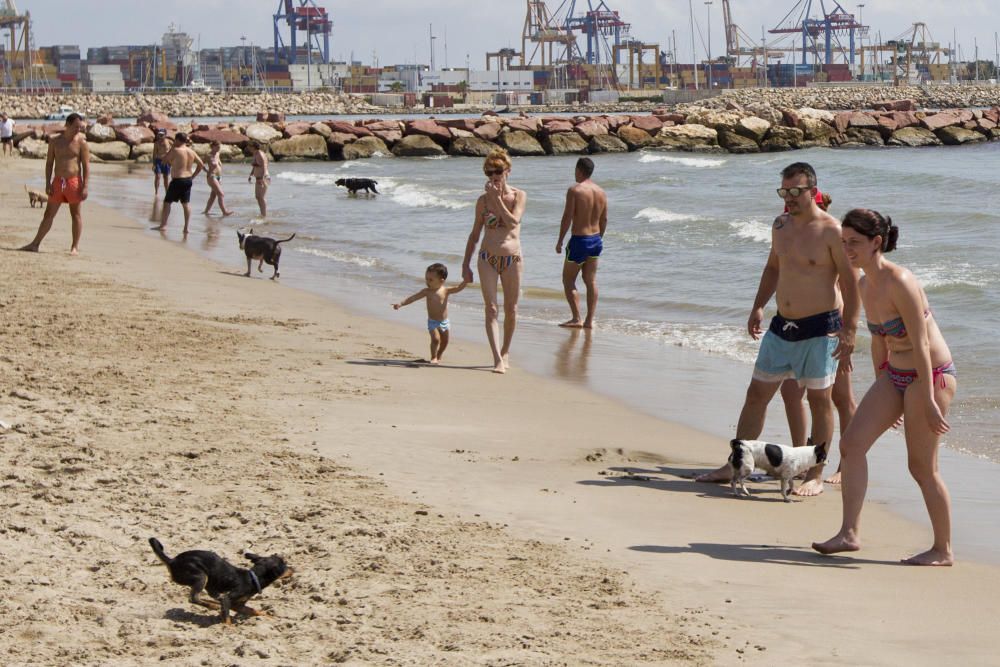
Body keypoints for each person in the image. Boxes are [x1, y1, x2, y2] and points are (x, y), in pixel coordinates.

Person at [696, 162, 859, 496]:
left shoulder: (831, 230)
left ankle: (815, 473)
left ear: (813, 190)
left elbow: (851, 282)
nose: (789, 198)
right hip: (781, 326)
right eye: (784, 191)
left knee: (820, 401)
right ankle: (735, 463)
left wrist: (850, 328)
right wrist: (758, 305)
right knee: (756, 395)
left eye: (796, 191)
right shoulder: (780, 225)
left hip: (820, 328)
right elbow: (773, 268)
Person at [814, 210, 956, 566]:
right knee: (851, 445)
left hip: (932, 375)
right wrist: (882, 387)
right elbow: (880, 341)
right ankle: (849, 533)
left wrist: (925, 397)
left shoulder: (901, 281)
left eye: (855, 243)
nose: (847, 249)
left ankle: (943, 550)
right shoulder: (864, 285)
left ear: (877, 242)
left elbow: (921, 344)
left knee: (921, 467)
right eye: (843, 242)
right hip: (895, 375)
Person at [777, 189, 856, 485]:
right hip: (795, 328)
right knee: (790, 393)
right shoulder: (786, 230)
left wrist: (848, 332)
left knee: (841, 397)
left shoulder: (835, 236)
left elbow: (851, 287)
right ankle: (800, 457)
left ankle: (846, 463)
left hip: (833, 329)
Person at [461, 149, 527, 374]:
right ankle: (497, 357)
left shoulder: (519, 196)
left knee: (511, 308)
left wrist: (498, 200)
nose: (493, 176)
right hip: (487, 258)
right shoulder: (482, 202)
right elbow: (474, 234)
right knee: (490, 309)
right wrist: (465, 265)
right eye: (489, 173)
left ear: (508, 171)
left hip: (512, 258)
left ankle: (506, 350)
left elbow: (512, 223)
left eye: (498, 171)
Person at [20, 113, 90, 254]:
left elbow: (86, 166)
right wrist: (47, 183)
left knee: (75, 215)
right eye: (76, 126)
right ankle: (35, 244)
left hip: (74, 182)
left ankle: (74, 247)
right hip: (58, 182)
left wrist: (85, 186)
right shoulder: (55, 141)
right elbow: (49, 163)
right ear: (68, 125)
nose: (79, 129)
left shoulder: (81, 143)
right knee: (48, 214)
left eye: (80, 127)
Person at [556, 157, 608, 329]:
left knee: (568, 279)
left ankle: (576, 318)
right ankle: (589, 321)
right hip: (595, 239)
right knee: (590, 280)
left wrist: (560, 240)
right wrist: (600, 238)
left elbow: (567, 217)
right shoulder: (601, 192)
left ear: (579, 170)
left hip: (579, 240)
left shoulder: (575, 190)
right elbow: (604, 219)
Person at [392, 263, 468, 364]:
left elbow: (458, 288)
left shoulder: (446, 290)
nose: (427, 282)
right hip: (433, 321)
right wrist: (401, 303)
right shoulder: (426, 291)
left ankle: (439, 354)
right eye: (426, 279)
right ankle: (433, 357)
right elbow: (413, 298)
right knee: (436, 339)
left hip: (444, 321)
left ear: (442, 280)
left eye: (431, 280)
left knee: (445, 341)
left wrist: (466, 281)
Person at [156, 132, 205, 234]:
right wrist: (193, 176)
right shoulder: (191, 151)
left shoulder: (175, 150)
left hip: (177, 180)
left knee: (167, 202)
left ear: (178, 140)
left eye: (175, 140)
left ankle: (163, 225)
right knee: (185, 204)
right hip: (188, 180)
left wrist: (172, 148)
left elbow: (164, 160)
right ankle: (186, 228)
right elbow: (201, 164)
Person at [203, 141, 234, 216]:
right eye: (217, 147)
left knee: (213, 195)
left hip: (218, 177)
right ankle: (224, 212)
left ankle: (206, 211)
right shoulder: (208, 155)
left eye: (219, 147)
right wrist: (207, 171)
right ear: (213, 146)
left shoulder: (218, 154)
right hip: (211, 176)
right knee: (221, 194)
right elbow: (200, 164)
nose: (219, 148)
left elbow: (218, 164)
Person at [247, 141, 270, 218]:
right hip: (258, 178)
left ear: (253, 146)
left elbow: (264, 165)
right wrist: (251, 174)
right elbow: (255, 166)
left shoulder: (260, 154)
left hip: (263, 177)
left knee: (261, 197)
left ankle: (264, 215)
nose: (248, 148)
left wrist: (263, 177)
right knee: (258, 197)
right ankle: (262, 214)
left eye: (249, 146)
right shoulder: (255, 154)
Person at [151, 129, 172, 195]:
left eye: (162, 135)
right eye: (159, 135)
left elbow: (174, 150)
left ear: (165, 135)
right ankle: (156, 192)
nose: (160, 136)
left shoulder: (169, 142)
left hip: (167, 161)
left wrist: (172, 161)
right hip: (158, 161)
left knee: (166, 178)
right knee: (158, 176)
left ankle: (167, 193)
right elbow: (154, 154)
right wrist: (154, 164)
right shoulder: (156, 143)